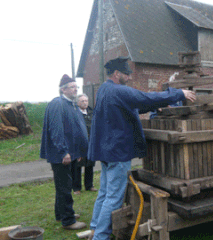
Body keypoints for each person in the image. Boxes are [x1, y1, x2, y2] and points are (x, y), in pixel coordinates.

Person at [87, 56, 196, 240]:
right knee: (114, 197)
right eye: (127, 74)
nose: (129, 77)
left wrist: (157, 106)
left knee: (105, 192)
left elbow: (130, 107)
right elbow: (145, 97)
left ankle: (94, 228)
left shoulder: (104, 89)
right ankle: (100, 237)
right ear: (117, 74)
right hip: (118, 151)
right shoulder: (118, 90)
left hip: (107, 151)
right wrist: (179, 93)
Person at [40, 74, 88, 230]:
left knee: (63, 186)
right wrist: (63, 152)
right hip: (62, 155)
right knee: (64, 187)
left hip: (71, 153)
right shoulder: (57, 104)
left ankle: (61, 214)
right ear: (63, 89)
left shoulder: (71, 105)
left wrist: (78, 151)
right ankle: (68, 221)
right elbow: (56, 130)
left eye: (76, 87)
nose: (76, 89)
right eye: (72, 87)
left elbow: (74, 131)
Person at [71, 94, 97, 194]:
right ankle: (76, 188)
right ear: (77, 102)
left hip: (90, 143)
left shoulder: (91, 112)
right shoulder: (75, 113)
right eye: (82, 101)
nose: (85, 103)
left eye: (86, 101)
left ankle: (89, 185)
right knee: (77, 166)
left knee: (90, 165)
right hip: (79, 144)